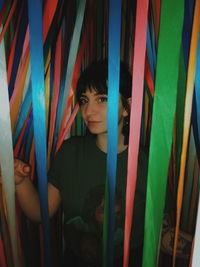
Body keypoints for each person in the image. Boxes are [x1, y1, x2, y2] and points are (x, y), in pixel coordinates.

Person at [0, 59, 192, 266]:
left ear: (127, 106)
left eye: (102, 99)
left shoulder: (150, 165)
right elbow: (40, 213)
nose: (88, 111)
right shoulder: (70, 152)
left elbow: (162, 234)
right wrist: (20, 182)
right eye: (84, 100)